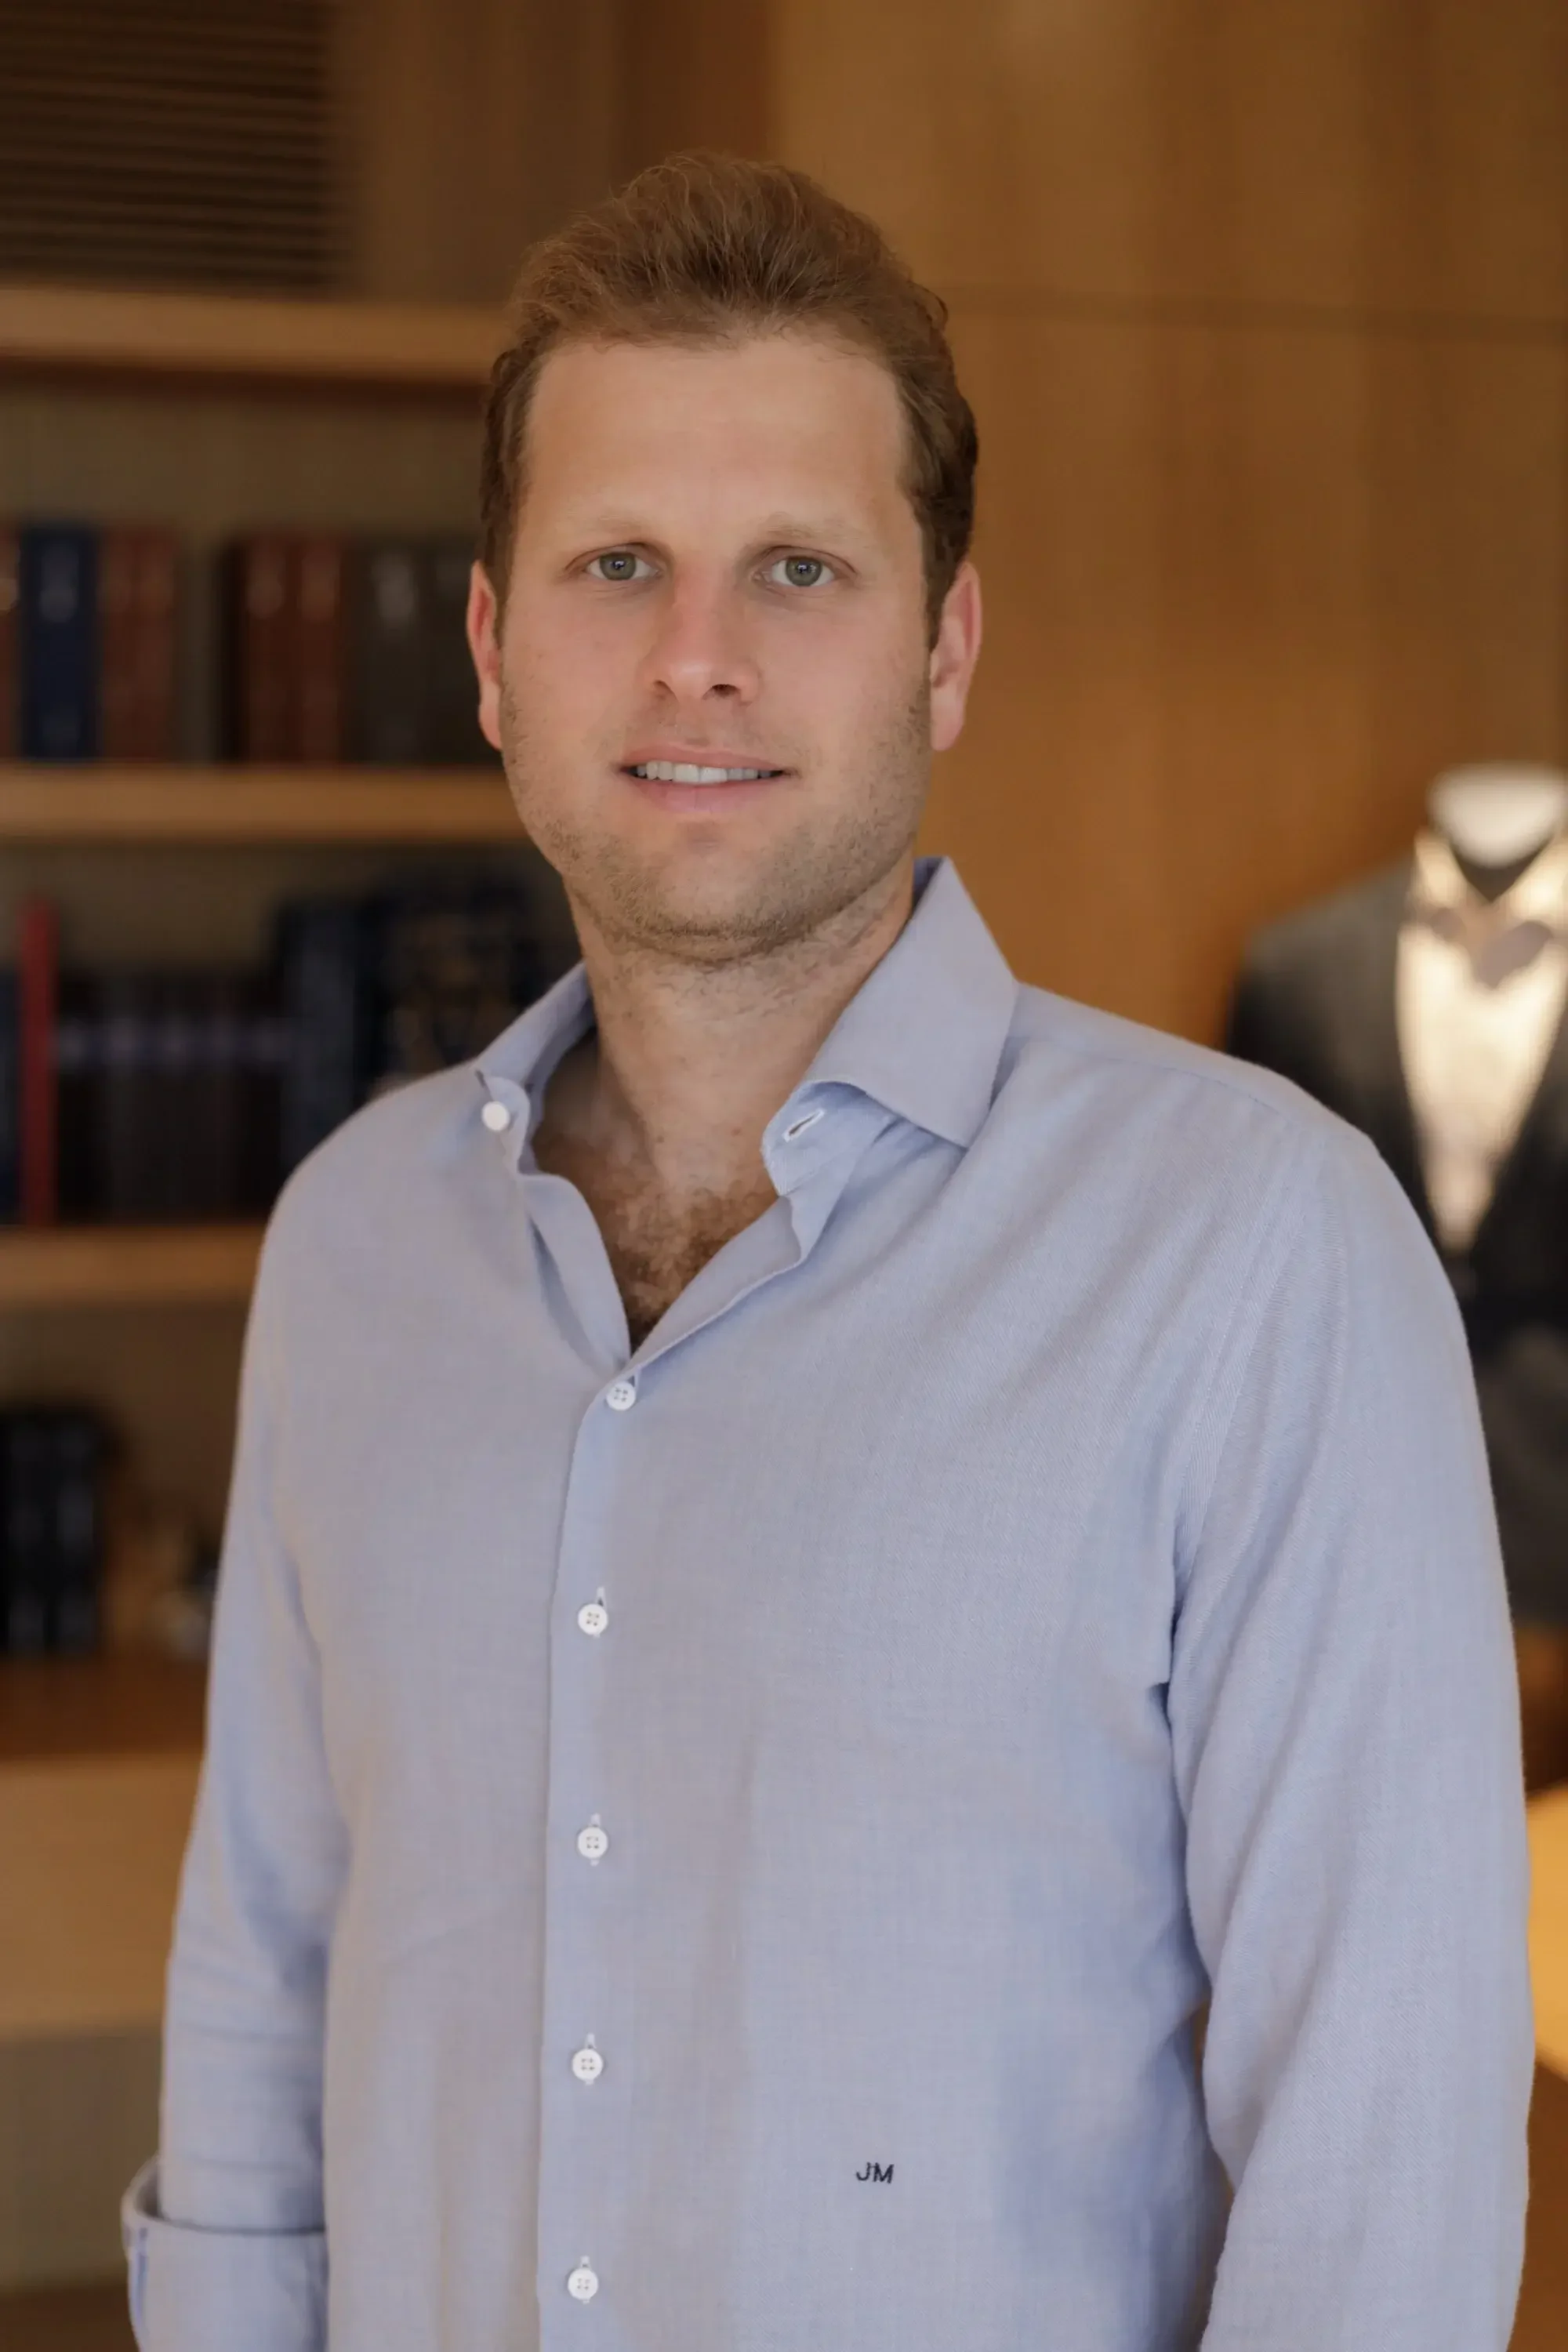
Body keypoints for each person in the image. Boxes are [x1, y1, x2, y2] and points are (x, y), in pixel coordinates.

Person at [121, 154, 1533, 2352]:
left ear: (946, 648)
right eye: (616, 565)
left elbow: (1385, 2161)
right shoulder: (353, 1246)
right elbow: (264, 1984)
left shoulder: (1261, 1256)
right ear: (490, 653)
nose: (699, 656)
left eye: (800, 566)